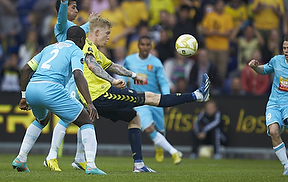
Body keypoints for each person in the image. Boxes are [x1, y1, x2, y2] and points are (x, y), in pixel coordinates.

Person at [47, 16, 210, 173]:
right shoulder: (87, 47)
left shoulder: (95, 50)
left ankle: (138, 164)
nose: (109, 37)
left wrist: (133, 75)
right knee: (151, 98)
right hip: (103, 94)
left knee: (134, 118)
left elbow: (113, 66)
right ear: (96, 32)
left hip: (98, 98)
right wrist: (112, 81)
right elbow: (92, 66)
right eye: (107, 33)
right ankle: (197, 95)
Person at [11, 26, 104, 175]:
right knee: (86, 120)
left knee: (42, 119)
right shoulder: (76, 51)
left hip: (33, 88)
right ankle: (91, 165)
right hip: (51, 88)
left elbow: (25, 70)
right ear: (82, 40)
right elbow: (78, 75)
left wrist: (23, 96)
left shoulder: (49, 48)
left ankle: (21, 158)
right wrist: (90, 103)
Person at [123, 35, 183, 164]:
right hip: (139, 100)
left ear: (151, 47)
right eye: (142, 44)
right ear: (138, 46)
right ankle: (174, 152)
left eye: (147, 45)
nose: (145, 47)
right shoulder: (129, 60)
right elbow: (123, 75)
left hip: (155, 99)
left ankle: (159, 147)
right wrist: (120, 88)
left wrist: (167, 98)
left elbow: (163, 81)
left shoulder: (156, 62)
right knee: (149, 128)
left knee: (160, 131)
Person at [248, 36, 288, 175]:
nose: (286, 51)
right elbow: (263, 70)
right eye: (284, 48)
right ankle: (287, 166)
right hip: (274, 103)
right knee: (273, 132)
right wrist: (254, 67)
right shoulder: (277, 60)